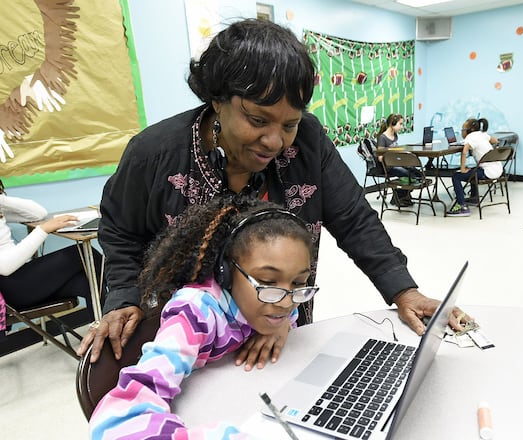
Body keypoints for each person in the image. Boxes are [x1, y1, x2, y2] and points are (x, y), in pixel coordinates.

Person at [78, 19, 467, 367]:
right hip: (187, 343)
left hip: (281, 332)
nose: (274, 141)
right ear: (217, 99)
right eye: (258, 119)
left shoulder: (308, 143)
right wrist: (125, 297)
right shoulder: (155, 154)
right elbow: (121, 230)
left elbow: (353, 219)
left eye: (290, 124)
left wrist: (403, 289)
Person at [89, 196, 317, 438]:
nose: (286, 301)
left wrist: (280, 328)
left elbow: (289, 307)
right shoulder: (194, 313)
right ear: (226, 272)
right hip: (196, 414)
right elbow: (116, 421)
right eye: (268, 282)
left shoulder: (280, 299)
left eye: (298, 283)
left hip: (237, 398)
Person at [0, 178, 101, 316]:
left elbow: (37, 213)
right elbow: (5, 267)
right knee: (80, 254)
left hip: (20, 280)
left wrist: (2, 199)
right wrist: (43, 230)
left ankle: (106, 332)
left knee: (88, 283)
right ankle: (131, 295)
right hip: (10, 289)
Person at [446, 118, 504, 217]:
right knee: (473, 169)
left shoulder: (470, 137)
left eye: (463, 129)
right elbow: (495, 140)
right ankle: (474, 198)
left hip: (488, 172)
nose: (462, 132)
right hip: (498, 170)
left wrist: (463, 168)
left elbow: (464, 152)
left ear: (470, 130)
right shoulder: (482, 134)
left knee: (456, 176)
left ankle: (462, 207)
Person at [375, 113, 415, 207]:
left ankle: (402, 196)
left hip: (397, 163)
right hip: (388, 166)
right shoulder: (382, 138)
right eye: (400, 124)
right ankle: (398, 196)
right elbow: (380, 158)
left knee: (416, 173)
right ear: (392, 124)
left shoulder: (395, 136)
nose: (401, 126)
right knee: (407, 174)